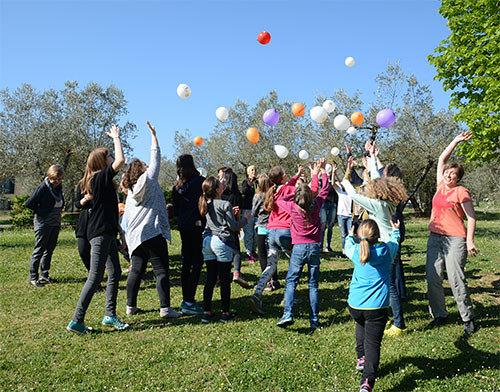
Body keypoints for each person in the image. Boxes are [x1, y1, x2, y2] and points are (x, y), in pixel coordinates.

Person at [67, 125, 128, 334]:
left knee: (115, 272)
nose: (112, 157)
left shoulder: (103, 181)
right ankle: (77, 320)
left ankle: (110, 315)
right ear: (102, 162)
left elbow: (109, 210)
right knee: (95, 276)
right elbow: (121, 161)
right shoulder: (99, 178)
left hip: (108, 232)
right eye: (108, 155)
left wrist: (120, 232)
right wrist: (117, 138)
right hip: (100, 234)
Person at [121, 122, 180, 319]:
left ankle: (130, 306)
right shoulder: (149, 180)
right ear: (141, 170)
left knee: (136, 270)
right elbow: (156, 158)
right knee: (161, 271)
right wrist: (154, 135)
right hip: (152, 233)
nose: (147, 166)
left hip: (135, 236)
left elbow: (128, 217)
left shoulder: (129, 192)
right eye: (144, 166)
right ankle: (165, 309)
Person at [426, 130, 478, 334]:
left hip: (455, 238)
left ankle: (468, 318)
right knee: (433, 277)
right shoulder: (440, 186)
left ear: (458, 178)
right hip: (435, 237)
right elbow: (442, 158)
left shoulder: (460, 191)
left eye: (452, 174)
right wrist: (455, 140)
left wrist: (470, 241)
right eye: (447, 172)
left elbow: (471, 217)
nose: (448, 175)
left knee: (456, 278)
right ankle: (439, 315)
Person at [248, 165, 319, 315]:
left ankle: (257, 294)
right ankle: (287, 297)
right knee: (294, 265)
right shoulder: (289, 190)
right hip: (286, 232)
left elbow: (288, 185)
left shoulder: (274, 190)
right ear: (282, 178)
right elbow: (310, 192)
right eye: (286, 174)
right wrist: (315, 175)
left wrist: (297, 174)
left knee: (271, 265)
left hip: (271, 231)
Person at [345, 219, 400, 392]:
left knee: (360, 324)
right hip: (376, 308)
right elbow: (395, 241)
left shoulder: (354, 250)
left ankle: (361, 358)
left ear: (358, 235)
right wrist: (395, 230)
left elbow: (346, 243)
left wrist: (349, 234)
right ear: (377, 236)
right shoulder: (385, 251)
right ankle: (367, 381)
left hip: (355, 305)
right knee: (373, 344)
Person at [276, 159, 330, 329]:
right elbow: (325, 189)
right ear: (310, 196)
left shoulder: (292, 207)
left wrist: (295, 192)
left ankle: (288, 314)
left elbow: (278, 199)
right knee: (313, 284)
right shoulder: (316, 204)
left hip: (298, 248)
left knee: (292, 281)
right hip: (314, 247)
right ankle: (314, 320)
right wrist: (320, 172)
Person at [198, 176, 250, 323]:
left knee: (210, 278)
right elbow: (233, 226)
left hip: (207, 241)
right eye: (220, 184)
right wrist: (245, 219)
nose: (222, 184)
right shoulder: (225, 203)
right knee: (225, 279)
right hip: (221, 242)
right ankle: (225, 313)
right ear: (218, 189)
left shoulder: (205, 203)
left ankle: (206, 312)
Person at [172, 154, 205, 315]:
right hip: (196, 226)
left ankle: (187, 298)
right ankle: (189, 300)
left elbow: (176, 210)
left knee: (186, 262)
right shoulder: (199, 182)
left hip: (183, 226)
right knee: (197, 261)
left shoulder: (177, 187)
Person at [25, 164, 65, 287]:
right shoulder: (43, 188)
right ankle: (33, 277)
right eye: (54, 179)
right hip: (43, 222)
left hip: (55, 222)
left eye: (59, 179)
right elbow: (29, 203)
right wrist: (42, 212)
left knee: (50, 249)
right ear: (49, 176)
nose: (56, 182)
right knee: (40, 249)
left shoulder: (58, 187)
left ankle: (44, 274)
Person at [221, 169, 249, 288]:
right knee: (236, 251)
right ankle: (236, 272)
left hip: (220, 226)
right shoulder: (237, 195)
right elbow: (238, 212)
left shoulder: (220, 194)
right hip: (232, 226)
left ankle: (219, 275)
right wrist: (238, 227)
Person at [252, 173, 280, 290]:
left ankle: (267, 281)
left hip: (262, 227)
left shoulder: (258, 196)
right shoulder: (273, 194)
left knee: (262, 255)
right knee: (272, 254)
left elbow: (254, 212)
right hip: (273, 227)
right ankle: (275, 280)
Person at [241, 165, 258, 263]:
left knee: (256, 233)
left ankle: (253, 250)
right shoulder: (245, 182)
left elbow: (259, 193)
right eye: (252, 170)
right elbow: (244, 191)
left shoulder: (257, 182)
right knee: (248, 233)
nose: (254, 171)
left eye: (255, 170)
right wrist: (250, 185)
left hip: (256, 210)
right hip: (247, 210)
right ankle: (248, 253)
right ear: (248, 172)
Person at [319, 167, 338, 253]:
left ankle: (328, 246)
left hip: (333, 204)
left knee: (330, 226)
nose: (329, 173)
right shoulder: (323, 181)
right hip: (324, 204)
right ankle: (321, 246)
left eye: (330, 171)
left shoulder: (334, 182)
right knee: (323, 225)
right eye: (328, 171)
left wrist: (334, 173)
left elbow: (335, 182)